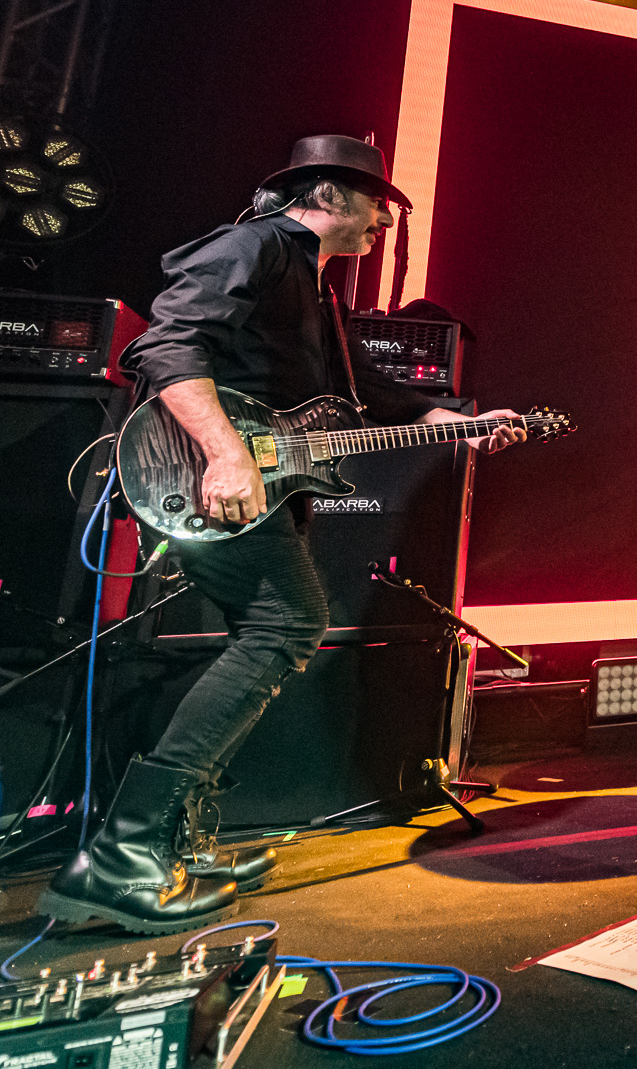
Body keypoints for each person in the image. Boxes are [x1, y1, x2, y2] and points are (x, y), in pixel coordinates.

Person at [38, 135, 527, 935]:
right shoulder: (254, 246)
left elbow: (362, 393)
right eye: (377, 204)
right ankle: (123, 854)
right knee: (287, 622)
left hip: (263, 488)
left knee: (269, 630)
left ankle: (172, 840)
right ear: (328, 194)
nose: (384, 222)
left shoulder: (317, 288)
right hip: (205, 471)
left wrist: (456, 420)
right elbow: (167, 345)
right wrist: (226, 452)